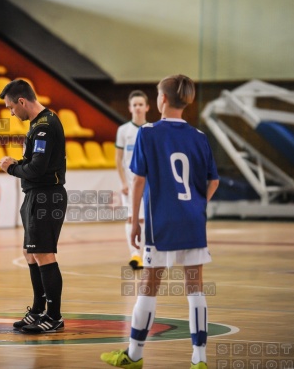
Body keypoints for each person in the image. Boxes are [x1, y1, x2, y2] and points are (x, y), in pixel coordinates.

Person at [101, 75, 220, 369]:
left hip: (161, 223)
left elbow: (139, 180)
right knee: (196, 287)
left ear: (162, 99)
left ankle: (134, 354)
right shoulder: (199, 136)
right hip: (193, 222)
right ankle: (200, 360)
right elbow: (213, 180)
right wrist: (197, 204)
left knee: (149, 286)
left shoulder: (148, 133)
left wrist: (134, 218)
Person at [0, 79, 67, 333]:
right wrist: (20, 166)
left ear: (22, 101)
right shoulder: (38, 124)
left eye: (10, 107)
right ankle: (38, 310)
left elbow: (37, 168)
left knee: (44, 254)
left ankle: (54, 316)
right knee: (31, 253)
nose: (11, 112)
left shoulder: (45, 127)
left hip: (46, 197)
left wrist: (12, 168)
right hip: (35, 195)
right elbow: (36, 163)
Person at [115, 90, 150, 270]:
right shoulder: (123, 130)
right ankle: (135, 255)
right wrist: (123, 183)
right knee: (131, 218)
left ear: (147, 107)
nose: (137, 108)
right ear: (130, 108)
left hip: (147, 185)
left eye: (140, 104)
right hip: (129, 184)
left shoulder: (151, 130)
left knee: (144, 220)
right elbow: (118, 159)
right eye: (134, 105)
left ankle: (145, 253)